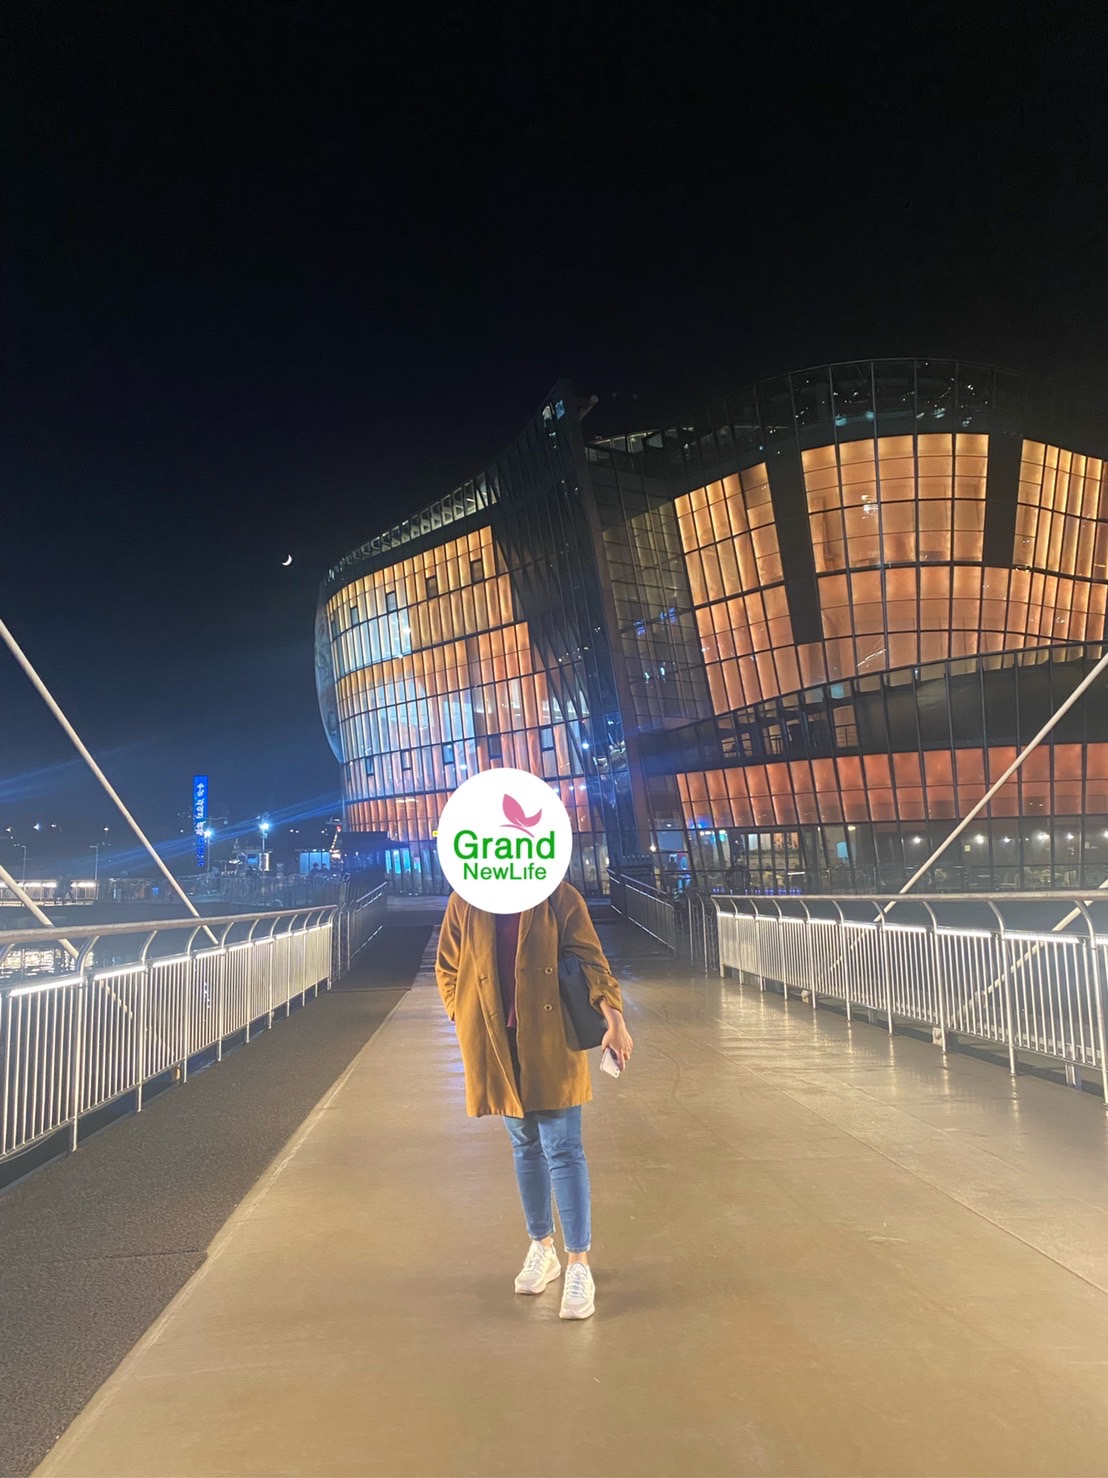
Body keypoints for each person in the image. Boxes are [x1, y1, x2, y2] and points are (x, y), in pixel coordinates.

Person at [435, 878, 632, 1320]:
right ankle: (542, 1247)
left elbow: (592, 962)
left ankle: (579, 1262)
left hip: (551, 1038)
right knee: (525, 1146)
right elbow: (447, 966)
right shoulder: (466, 899)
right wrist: (462, 1012)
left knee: (562, 1148)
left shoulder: (558, 896)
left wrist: (615, 1021)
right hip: (496, 1041)